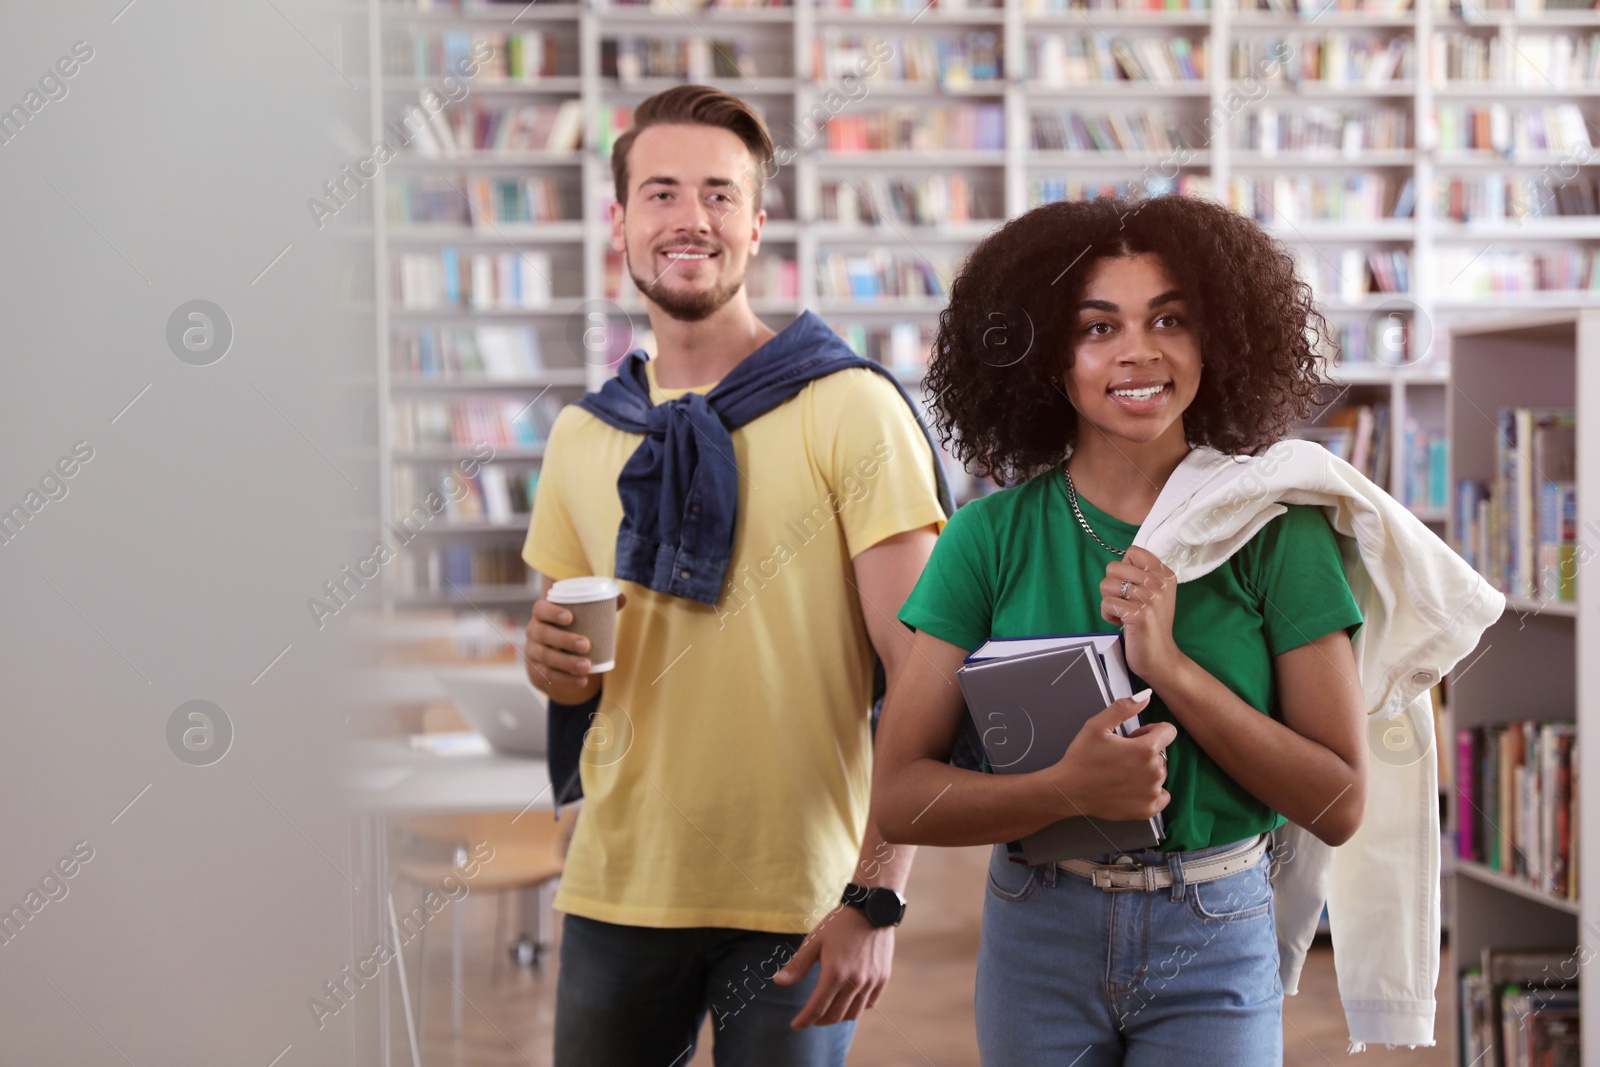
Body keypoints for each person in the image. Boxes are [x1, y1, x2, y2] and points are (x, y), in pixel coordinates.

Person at [872, 194, 1374, 1066]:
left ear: (1215, 340)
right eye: (1098, 326)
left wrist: (1171, 666)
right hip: (1038, 926)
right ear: (1047, 357)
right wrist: (1069, 788)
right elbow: (901, 796)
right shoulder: (987, 539)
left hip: (1214, 928)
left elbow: (1339, 802)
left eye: (1169, 318)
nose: (1138, 351)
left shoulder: (1276, 531)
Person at [520, 85, 949, 1067]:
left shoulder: (847, 407)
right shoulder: (585, 434)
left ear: (756, 226)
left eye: (719, 194)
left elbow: (924, 668)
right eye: (661, 192)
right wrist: (547, 663)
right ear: (620, 223)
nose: (690, 218)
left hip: (798, 895)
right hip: (616, 887)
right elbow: (568, 674)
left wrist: (879, 889)